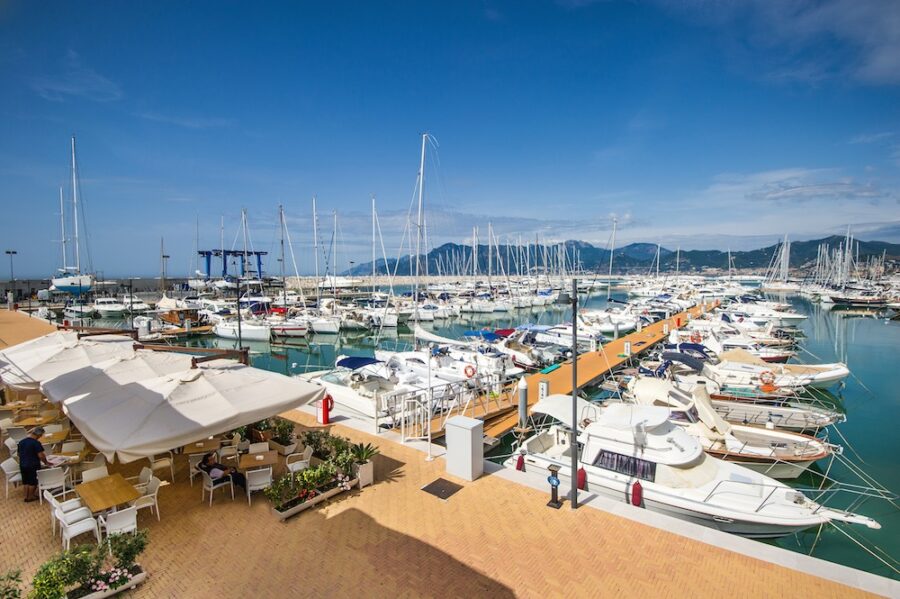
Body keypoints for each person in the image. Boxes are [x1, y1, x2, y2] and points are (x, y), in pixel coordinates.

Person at [18, 426, 52, 503]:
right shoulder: (36, 443)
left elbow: (19, 454)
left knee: (26, 481)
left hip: (22, 464)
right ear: (39, 435)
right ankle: (31, 496)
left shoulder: (21, 442)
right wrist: (46, 462)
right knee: (33, 481)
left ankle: (26, 496)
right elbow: (41, 455)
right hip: (32, 464)